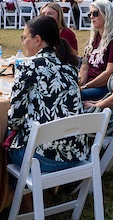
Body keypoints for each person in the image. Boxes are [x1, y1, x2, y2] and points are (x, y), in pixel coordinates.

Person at [5, 16, 85, 171]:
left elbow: (15, 119)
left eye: (25, 37)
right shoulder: (69, 66)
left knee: (4, 136)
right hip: (76, 154)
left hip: (42, 159)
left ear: (37, 40)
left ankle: (11, 192)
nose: (23, 42)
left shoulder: (29, 66)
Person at [79, 0, 113, 101]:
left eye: (95, 13)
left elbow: (109, 73)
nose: (92, 17)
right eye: (90, 15)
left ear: (106, 14)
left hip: (104, 87)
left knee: (72, 97)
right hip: (90, 84)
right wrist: (80, 83)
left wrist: (86, 87)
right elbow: (85, 67)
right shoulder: (93, 39)